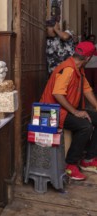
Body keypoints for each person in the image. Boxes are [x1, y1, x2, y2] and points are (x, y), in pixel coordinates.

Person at [40, 41, 97, 181]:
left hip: (64, 110)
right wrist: (75, 112)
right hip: (51, 112)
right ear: (88, 58)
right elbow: (57, 94)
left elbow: (87, 90)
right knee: (85, 126)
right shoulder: (68, 69)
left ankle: (88, 160)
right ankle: (70, 165)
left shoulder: (79, 69)